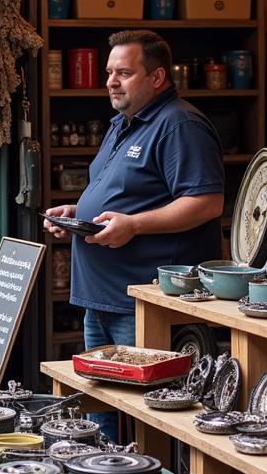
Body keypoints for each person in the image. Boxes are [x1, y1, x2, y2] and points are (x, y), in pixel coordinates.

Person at [43, 30, 224, 348]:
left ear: (157, 77)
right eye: (110, 73)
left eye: (124, 73)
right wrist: (78, 214)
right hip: (102, 302)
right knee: (105, 398)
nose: (112, 81)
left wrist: (134, 225)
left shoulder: (180, 124)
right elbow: (133, 193)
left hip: (146, 305)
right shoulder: (122, 123)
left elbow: (207, 203)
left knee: (147, 397)